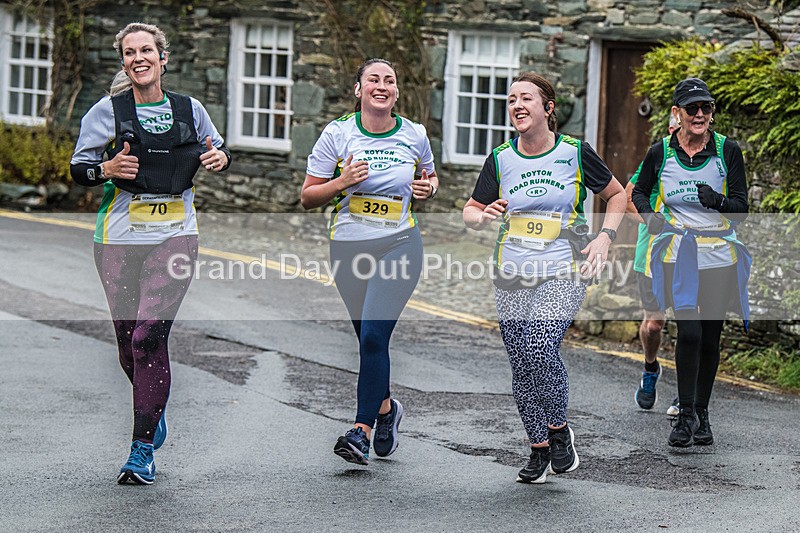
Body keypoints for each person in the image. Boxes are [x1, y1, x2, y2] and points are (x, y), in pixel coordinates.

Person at [70, 22, 231, 484]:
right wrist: (107, 168)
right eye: (129, 52)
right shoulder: (107, 111)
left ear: (163, 58)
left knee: (148, 338)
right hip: (118, 239)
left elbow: (217, 150)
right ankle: (152, 406)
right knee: (127, 345)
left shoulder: (189, 109)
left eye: (147, 50)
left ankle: (141, 451)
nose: (138, 57)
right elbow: (80, 169)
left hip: (176, 235)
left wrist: (220, 159)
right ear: (123, 61)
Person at [463, 72, 625, 483]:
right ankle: (538, 447)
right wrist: (481, 217)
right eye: (512, 99)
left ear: (548, 109)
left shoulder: (573, 152)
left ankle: (558, 430)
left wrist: (605, 237)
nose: (517, 105)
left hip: (563, 268)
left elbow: (617, 194)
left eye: (526, 99)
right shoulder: (500, 157)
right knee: (521, 362)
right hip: (512, 271)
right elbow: (470, 209)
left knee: (539, 344)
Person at [300, 58, 438, 466]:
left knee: (376, 336)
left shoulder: (414, 134)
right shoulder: (337, 133)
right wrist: (342, 182)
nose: (382, 85)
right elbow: (308, 196)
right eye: (373, 79)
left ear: (396, 92)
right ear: (358, 89)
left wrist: (427, 188)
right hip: (348, 247)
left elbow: (429, 177)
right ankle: (386, 410)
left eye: (389, 81)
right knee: (366, 339)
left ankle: (360, 431)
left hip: (399, 243)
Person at [632, 78, 750, 448]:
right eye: (693, 108)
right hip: (678, 255)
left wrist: (717, 201)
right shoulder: (660, 152)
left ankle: (703, 414)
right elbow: (637, 190)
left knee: (710, 338)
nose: (700, 114)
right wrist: (653, 219)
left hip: (718, 255)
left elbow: (742, 211)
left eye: (707, 108)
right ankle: (684, 416)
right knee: (691, 332)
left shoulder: (727, 151)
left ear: (712, 114)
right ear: (678, 113)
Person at [625, 114, 678, 414]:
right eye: (673, 128)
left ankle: (686, 394)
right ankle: (650, 368)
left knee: (691, 325)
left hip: (690, 254)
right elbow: (626, 197)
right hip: (651, 257)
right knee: (655, 323)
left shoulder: (707, 161)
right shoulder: (656, 159)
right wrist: (651, 220)